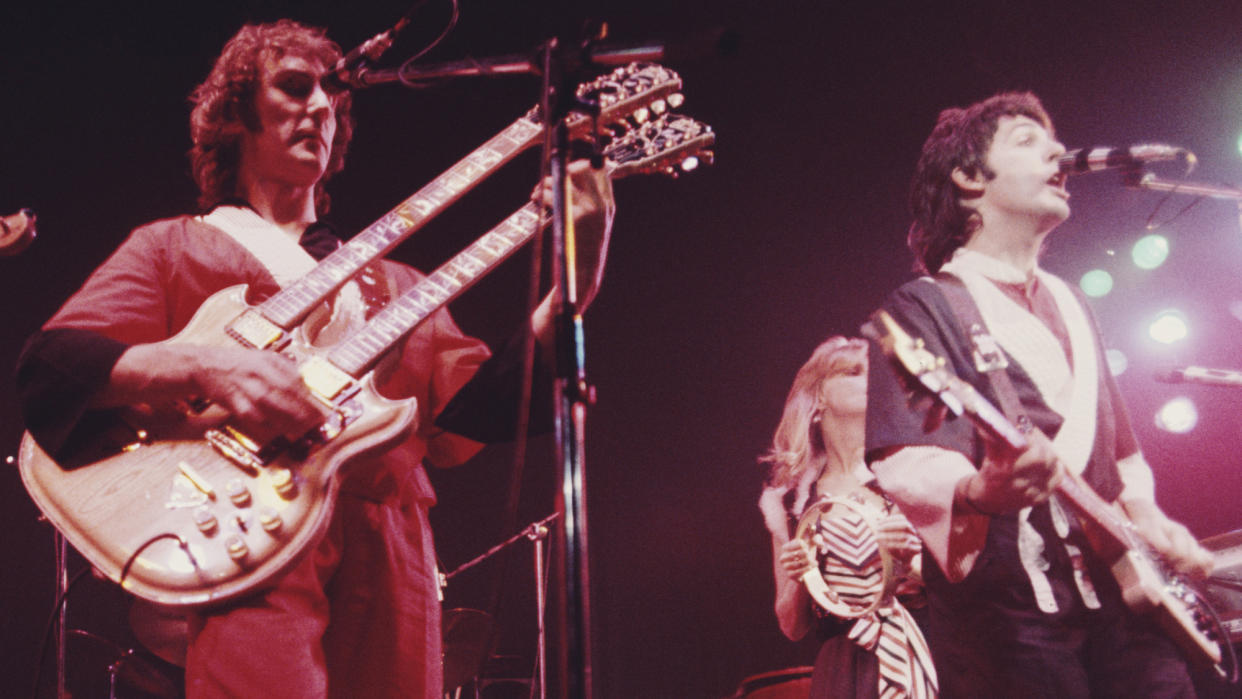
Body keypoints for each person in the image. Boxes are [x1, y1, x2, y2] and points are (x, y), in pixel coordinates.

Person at [14, 19, 614, 698]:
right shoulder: (176, 247)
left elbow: (471, 420)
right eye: (295, 87)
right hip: (252, 544)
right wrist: (207, 367)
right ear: (236, 113)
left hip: (393, 558)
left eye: (333, 97)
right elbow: (53, 366)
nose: (322, 107)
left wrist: (576, 280)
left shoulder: (399, 286)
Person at [864, 91, 1215, 697]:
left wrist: (1150, 520)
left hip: (1126, 603)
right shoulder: (925, 305)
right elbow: (908, 457)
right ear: (970, 177)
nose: (1057, 149)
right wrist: (980, 489)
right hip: (1013, 616)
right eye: (1027, 139)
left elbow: (1120, 448)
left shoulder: (1072, 300)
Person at [759, 336, 937, 698]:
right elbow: (792, 626)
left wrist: (911, 562)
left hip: (916, 647)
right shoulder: (793, 501)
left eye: (875, 373)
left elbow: (959, 586)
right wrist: (800, 575)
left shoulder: (908, 473)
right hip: (844, 666)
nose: (869, 380)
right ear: (819, 394)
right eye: (854, 372)